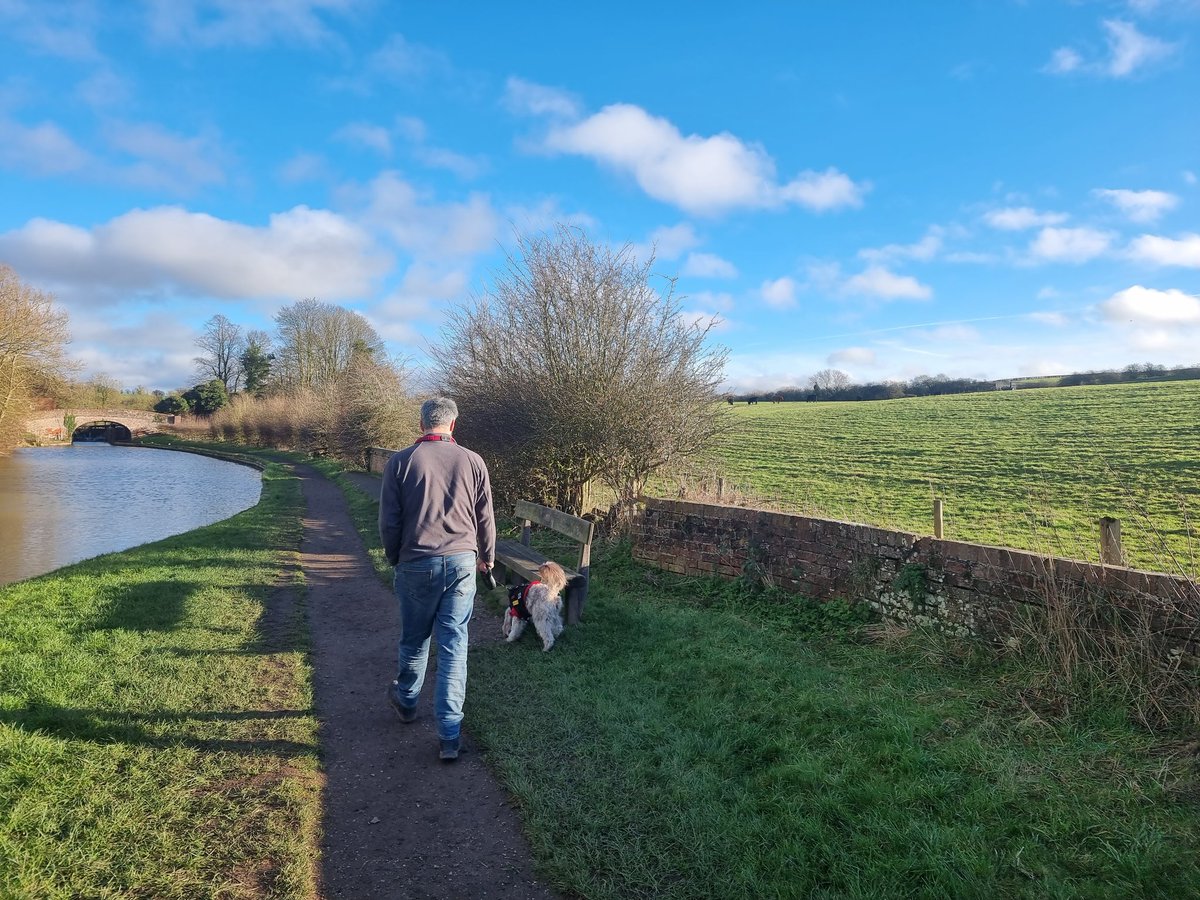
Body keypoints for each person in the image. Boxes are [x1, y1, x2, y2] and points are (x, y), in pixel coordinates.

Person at [378, 396, 495, 761]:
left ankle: (408, 702)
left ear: (421, 424)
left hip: (416, 562)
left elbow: (389, 522)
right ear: (453, 425)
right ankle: (449, 735)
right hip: (462, 563)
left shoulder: (400, 462)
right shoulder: (474, 461)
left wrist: (395, 557)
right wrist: (487, 557)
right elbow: (485, 516)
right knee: (453, 646)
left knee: (414, 639)